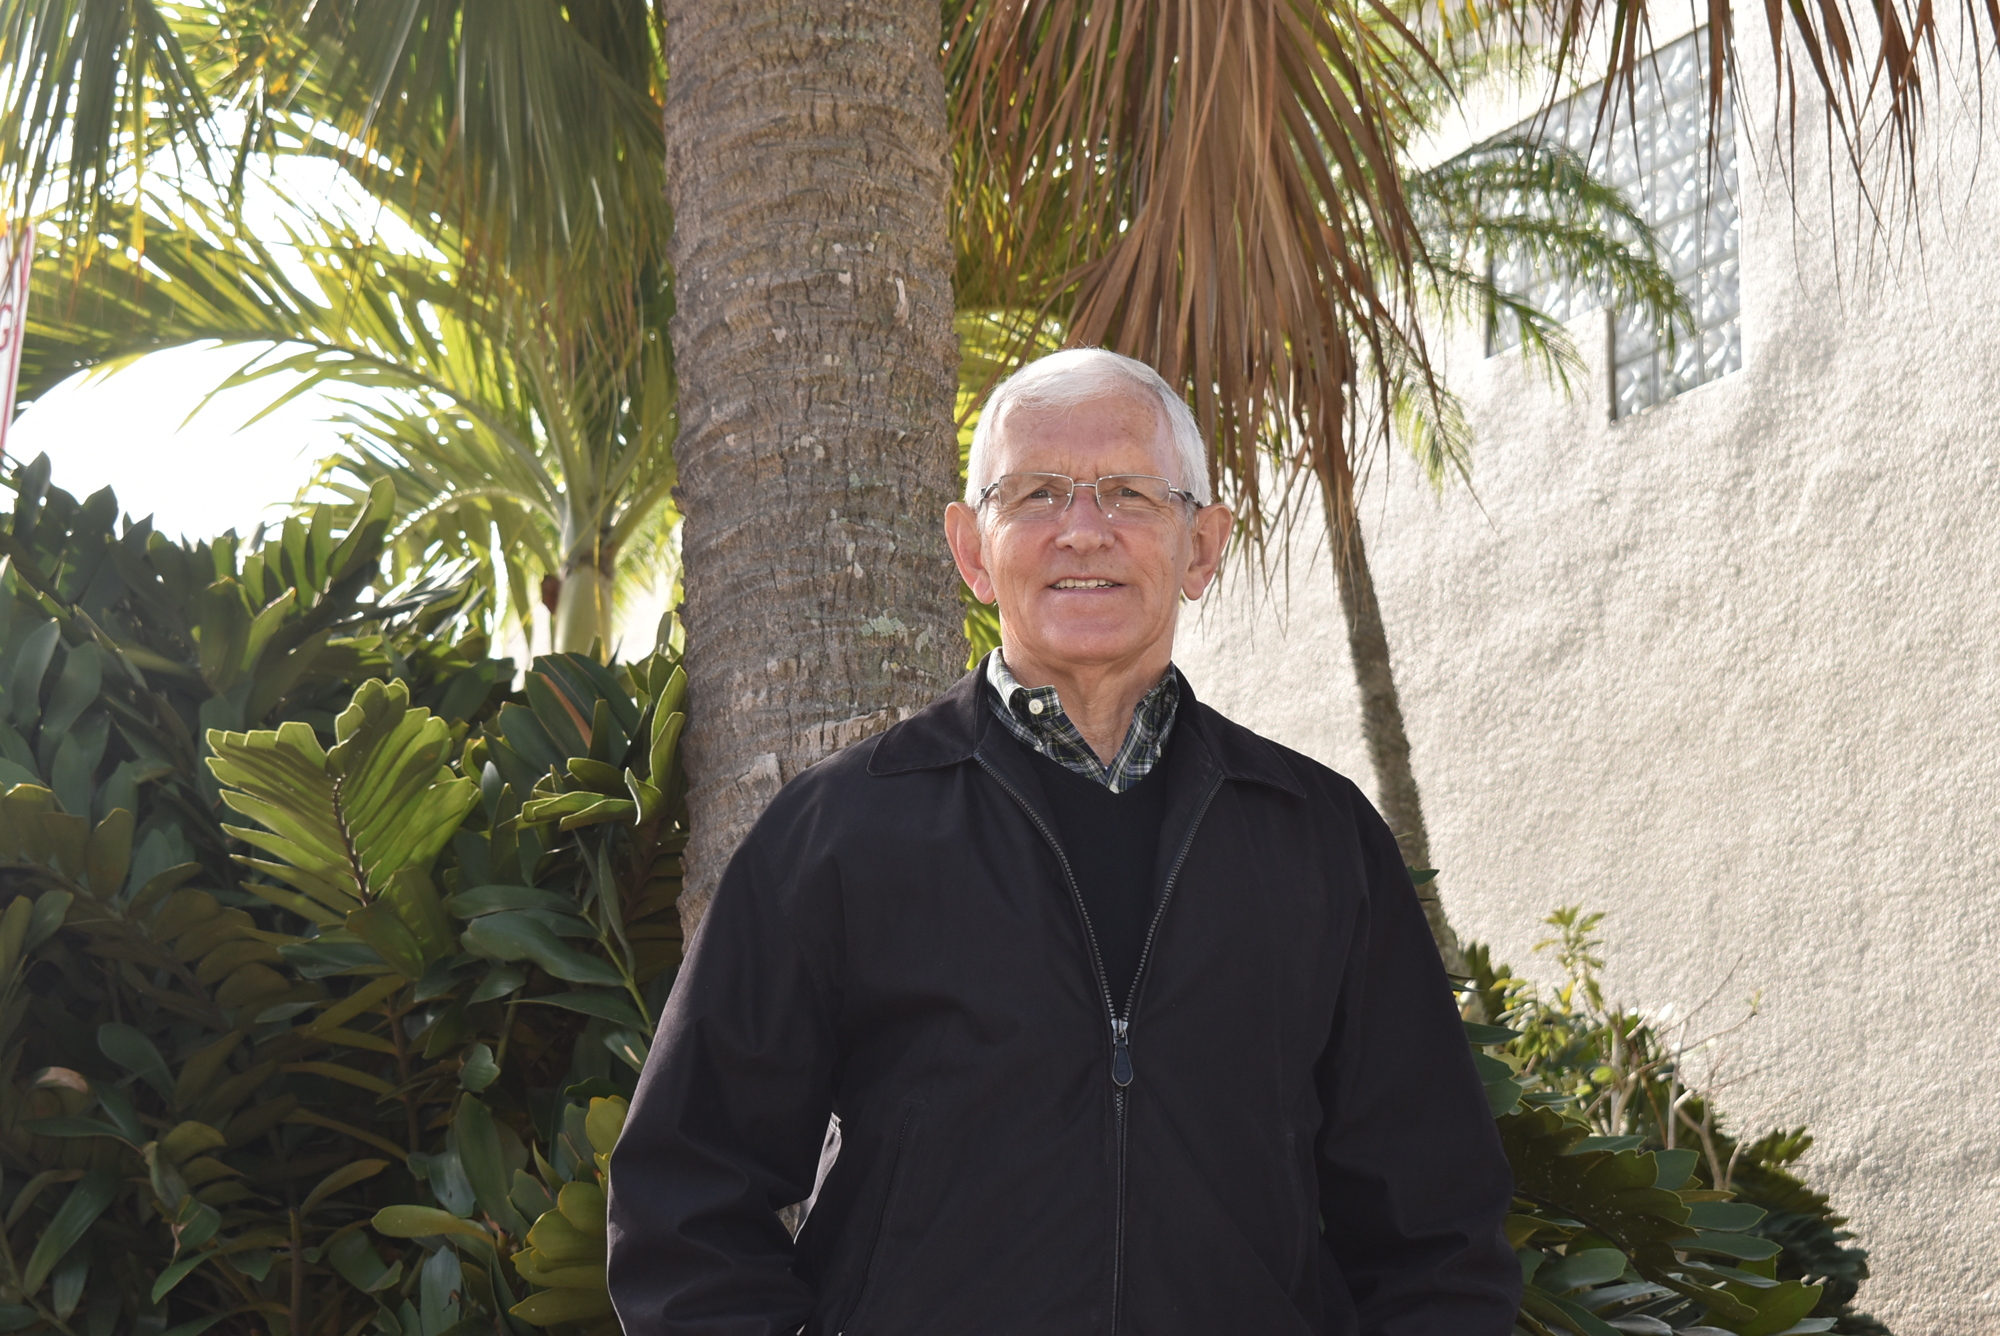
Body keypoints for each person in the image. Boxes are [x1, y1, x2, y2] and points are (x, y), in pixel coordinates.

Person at [607, 348, 1520, 1335]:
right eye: (1035, 492)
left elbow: (1436, 1233)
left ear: (1200, 546)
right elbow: (684, 1201)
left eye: (1127, 492)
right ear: (971, 548)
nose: (1081, 529)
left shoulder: (1319, 839)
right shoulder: (838, 832)